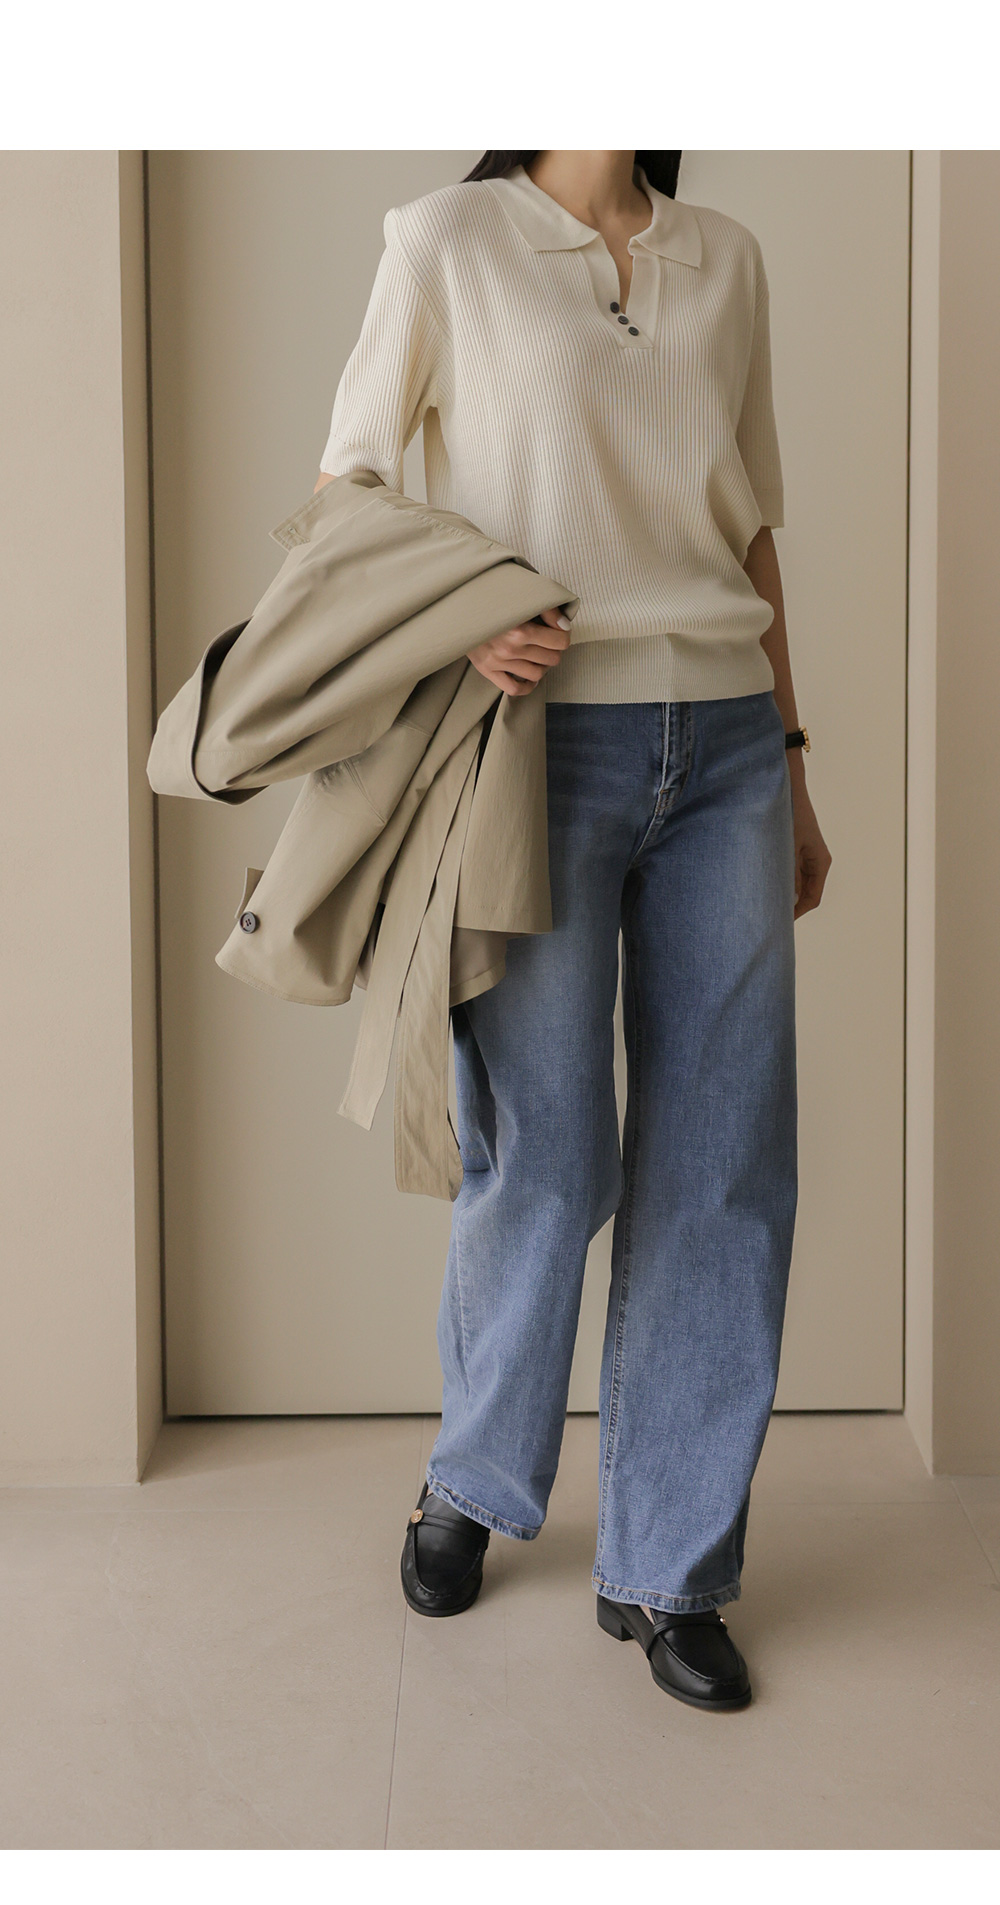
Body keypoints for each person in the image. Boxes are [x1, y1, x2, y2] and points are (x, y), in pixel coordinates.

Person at [315, 150, 831, 1711]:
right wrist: (464, 612)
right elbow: (348, 485)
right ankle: (474, 1477)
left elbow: (751, 531)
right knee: (544, 1150)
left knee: (725, 1163)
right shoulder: (447, 239)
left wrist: (796, 769)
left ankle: (673, 1569)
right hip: (539, 749)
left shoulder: (726, 257)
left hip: (727, 747)